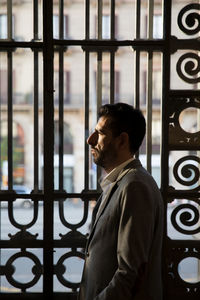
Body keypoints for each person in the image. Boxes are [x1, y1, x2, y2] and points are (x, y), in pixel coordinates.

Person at [78, 102, 163, 300]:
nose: (90, 140)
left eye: (99, 133)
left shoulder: (134, 186)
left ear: (122, 140)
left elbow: (130, 272)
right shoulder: (121, 182)